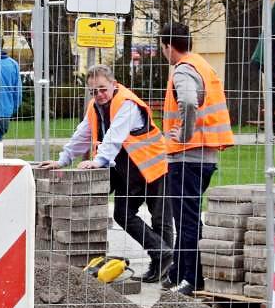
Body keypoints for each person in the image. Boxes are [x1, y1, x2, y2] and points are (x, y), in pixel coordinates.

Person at [35, 65, 173, 283]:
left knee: (160, 219)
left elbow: (114, 136)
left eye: (102, 89)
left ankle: (164, 268)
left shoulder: (126, 103)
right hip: (129, 168)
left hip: (151, 166)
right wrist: (63, 159)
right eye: (93, 91)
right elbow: (83, 133)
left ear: (113, 84)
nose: (98, 94)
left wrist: (98, 161)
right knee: (123, 214)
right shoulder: (95, 107)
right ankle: (161, 254)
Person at [158, 22, 235, 296]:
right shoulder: (202, 64)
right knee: (188, 217)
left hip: (188, 157)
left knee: (187, 220)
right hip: (205, 155)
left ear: (168, 46)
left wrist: (184, 134)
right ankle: (180, 272)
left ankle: (191, 280)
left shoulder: (183, 69)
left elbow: (189, 102)